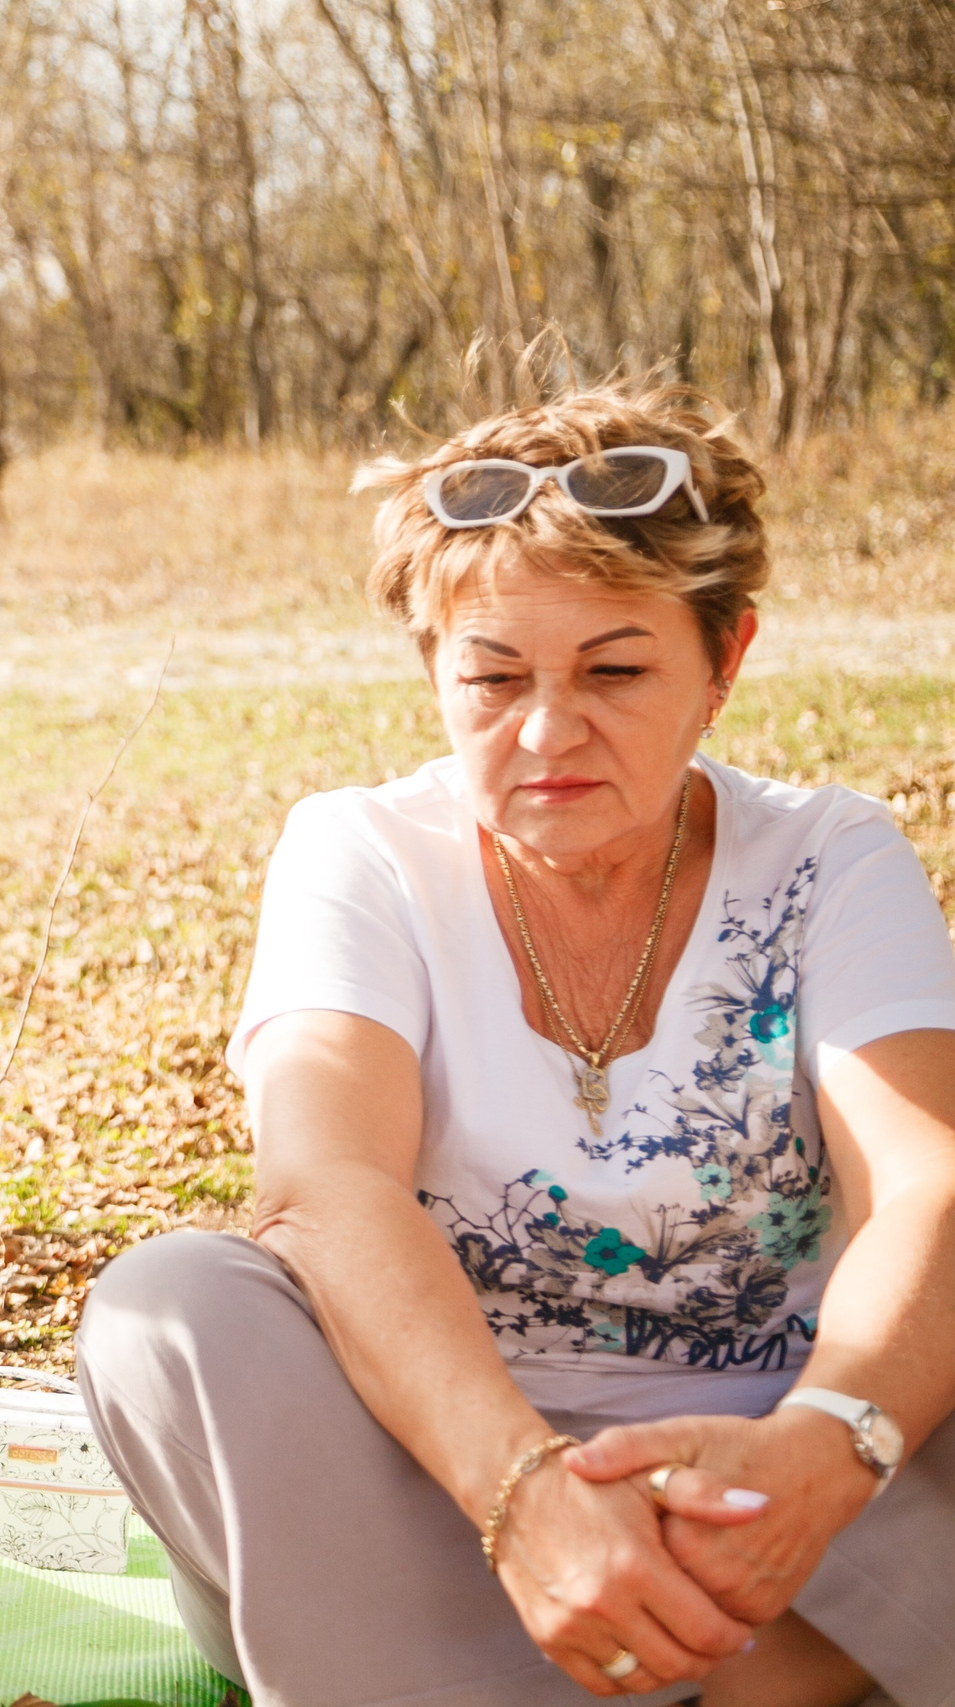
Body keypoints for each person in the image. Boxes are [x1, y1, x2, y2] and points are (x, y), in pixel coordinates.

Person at [77, 386, 955, 1706]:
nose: (547, 733)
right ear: (433, 671)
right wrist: (526, 1498)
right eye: (492, 677)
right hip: (448, 1483)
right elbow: (324, 1191)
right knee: (173, 1310)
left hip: (784, 1473)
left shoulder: (829, 856)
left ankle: (747, 1658)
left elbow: (926, 1182)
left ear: (725, 663)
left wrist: (831, 1445)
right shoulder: (362, 851)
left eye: (615, 670)